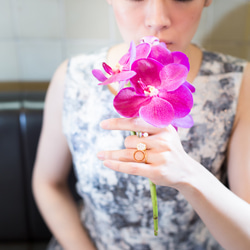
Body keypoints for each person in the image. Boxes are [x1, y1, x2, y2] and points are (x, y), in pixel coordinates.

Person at [32, 0, 250, 249]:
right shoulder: (73, 78)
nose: (157, 19)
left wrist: (189, 175)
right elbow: (48, 183)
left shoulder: (238, 84)